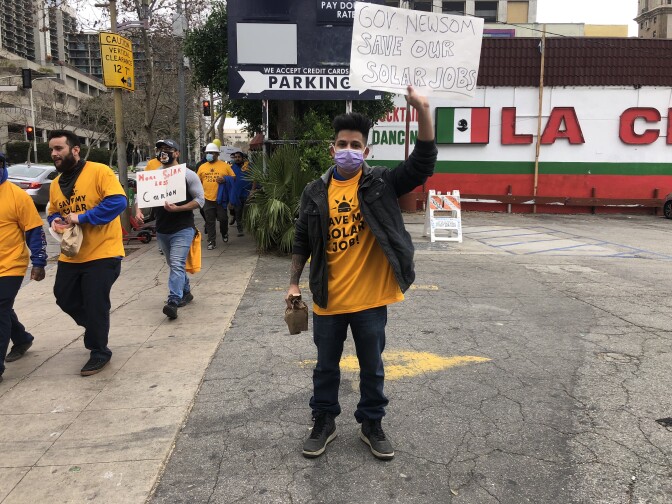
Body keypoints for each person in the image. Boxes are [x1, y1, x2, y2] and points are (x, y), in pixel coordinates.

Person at [286, 86, 437, 460]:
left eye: (356, 144)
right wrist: (292, 281)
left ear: (366, 151)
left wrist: (423, 112)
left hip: (371, 300)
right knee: (325, 367)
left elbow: (421, 165)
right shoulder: (314, 192)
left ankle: (372, 422)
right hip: (327, 297)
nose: (348, 149)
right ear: (332, 148)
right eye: (342, 143)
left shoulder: (380, 183)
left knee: (373, 366)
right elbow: (303, 238)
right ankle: (324, 420)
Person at [47, 130, 127, 376]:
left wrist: (81, 217)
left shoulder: (99, 171)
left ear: (75, 150)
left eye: (59, 148)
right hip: (72, 254)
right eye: (51, 149)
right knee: (63, 296)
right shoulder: (54, 184)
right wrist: (55, 222)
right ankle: (94, 325)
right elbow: (53, 211)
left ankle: (99, 350)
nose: (54, 154)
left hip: (104, 252)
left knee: (95, 302)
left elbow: (118, 202)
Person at [0, 152, 47, 383]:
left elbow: (34, 230)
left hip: (11, 265)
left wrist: (39, 261)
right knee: (3, 309)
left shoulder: (17, 196)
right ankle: (22, 338)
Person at [152, 139, 205, 320]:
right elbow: (142, 198)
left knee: (176, 263)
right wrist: (136, 211)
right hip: (162, 229)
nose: (163, 153)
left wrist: (179, 208)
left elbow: (200, 200)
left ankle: (174, 301)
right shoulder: (153, 176)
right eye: (160, 149)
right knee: (174, 264)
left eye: (168, 149)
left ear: (177, 153)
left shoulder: (188, 175)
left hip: (183, 228)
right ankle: (186, 291)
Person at [197, 143, 235, 250]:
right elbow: (197, 182)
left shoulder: (225, 166)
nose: (209, 155)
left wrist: (225, 179)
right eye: (207, 153)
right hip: (207, 199)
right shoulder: (202, 167)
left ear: (217, 154)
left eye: (211, 153)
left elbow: (233, 178)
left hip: (221, 199)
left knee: (223, 219)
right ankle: (211, 241)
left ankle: (224, 232)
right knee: (210, 221)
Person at [228, 150, 252, 237]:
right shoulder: (231, 167)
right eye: (236, 157)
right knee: (238, 211)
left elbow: (254, 178)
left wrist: (252, 190)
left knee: (246, 212)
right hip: (236, 194)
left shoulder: (248, 166)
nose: (237, 159)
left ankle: (248, 226)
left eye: (239, 157)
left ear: (242, 158)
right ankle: (240, 229)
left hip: (247, 193)